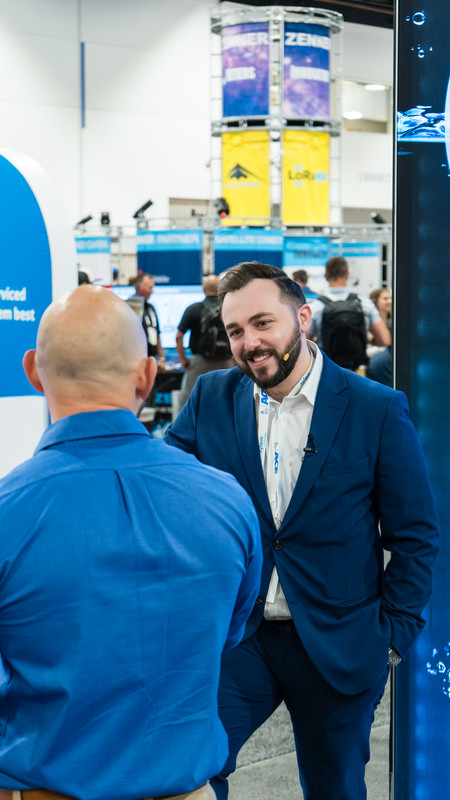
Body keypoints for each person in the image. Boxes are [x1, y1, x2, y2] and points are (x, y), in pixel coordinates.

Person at [165, 261, 439, 800]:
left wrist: (392, 638)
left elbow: (415, 535)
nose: (250, 343)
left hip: (339, 642)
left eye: (263, 323)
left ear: (303, 318)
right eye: (237, 330)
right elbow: (164, 490)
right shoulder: (211, 398)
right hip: (242, 639)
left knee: (334, 788)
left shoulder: (375, 410)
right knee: (189, 769)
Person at [0, 286, 262, 800]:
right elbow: (229, 633)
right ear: (147, 375)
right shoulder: (227, 501)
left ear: (33, 371)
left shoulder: (9, 512)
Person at [308, 256, 391, 370]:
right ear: (347, 274)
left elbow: (305, 343)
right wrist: (367, 339)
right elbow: (384, 339)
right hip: (358, 371)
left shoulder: (316, 307)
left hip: (327, 370)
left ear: (326, 277)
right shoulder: (364, 304)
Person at [176, 274, 234, 406]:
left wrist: (183, 359)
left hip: (200, 362)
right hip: (227, 362)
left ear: (203, 289)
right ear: (220, 288)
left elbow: (179, 336)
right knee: (227, 398)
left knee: (188, 398)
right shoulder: (229, 308)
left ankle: (184, 426)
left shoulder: (194, 309)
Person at [133, 271, 166, 372]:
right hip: (135, 361)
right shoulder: (130, 306)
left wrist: (162, 359)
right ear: (140, 288)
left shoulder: (151, 308)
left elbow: (157, 335)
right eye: (150, 287)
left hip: (151, 360)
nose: (152, 291)